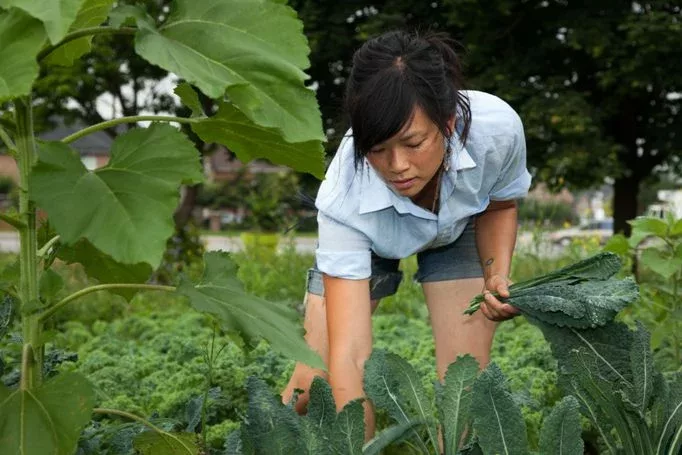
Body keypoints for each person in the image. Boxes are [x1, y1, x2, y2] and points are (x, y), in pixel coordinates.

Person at [281, 30, 532, 442]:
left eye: (413, 143)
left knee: (462, 387)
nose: (397, 166)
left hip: (460, 228)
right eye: (377, 149)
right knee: (315, 376)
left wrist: (496, 274)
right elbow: (353, 356)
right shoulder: (345, 195)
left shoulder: (497, 130)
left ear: (448, 122)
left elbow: (500, 205)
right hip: (371, 234)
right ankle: (268, 438)